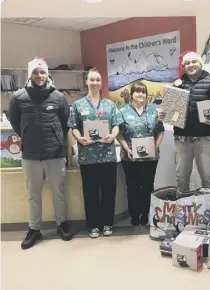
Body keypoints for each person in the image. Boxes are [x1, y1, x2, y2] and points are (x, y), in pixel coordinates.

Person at [8, 57, 72, 249]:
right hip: (31, 155)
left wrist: (56, 139)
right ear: (30, 75)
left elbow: (64, 123)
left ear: (47, 75)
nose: (39, 76)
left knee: (59, 193)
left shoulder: (59, 97)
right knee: (33, 195)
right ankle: (34, 229)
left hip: (55, 154)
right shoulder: (18, 98)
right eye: (35, 72)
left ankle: (62, 224)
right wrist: (27, 136)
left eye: (42, 72)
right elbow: (15, 123)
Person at [67, 68, 123, 238]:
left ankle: (107, 224)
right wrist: (80, 138)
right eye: (92, 80)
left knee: (108, 192)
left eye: (98, 80)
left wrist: (113, 135)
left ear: (101, 82)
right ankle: (93, 225)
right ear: (86, 81)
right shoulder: (78, 105)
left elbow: (116, 124)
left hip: (107, 155)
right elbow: (73, 127)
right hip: (88, 156)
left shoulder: (110, 104)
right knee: (90, 192)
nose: (95, 83)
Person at [172, 51, 210, 192]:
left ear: (200, 64)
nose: (191, 65)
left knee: (207, 179)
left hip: (205, 139)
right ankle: (183, 212)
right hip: (181, 139)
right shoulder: (177, 84)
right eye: (187, 63)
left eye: (194, 62)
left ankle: (207, 212)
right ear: (184, 66)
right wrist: (165, 115)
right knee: (181, 179)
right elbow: (172, 110)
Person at [117, 81, 165, 226]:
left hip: (150, 158)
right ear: (132, 95)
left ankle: (145, 214)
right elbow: (118, 133)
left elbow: (160, 131)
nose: (140, 94)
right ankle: (134, 215)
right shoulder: (123, 112)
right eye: (137, 91)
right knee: (132, 186)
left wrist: (154, 149)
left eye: (143, 92)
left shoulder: (153, 112)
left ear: (146, 95)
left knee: (148, 186)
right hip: (130, 157)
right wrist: (127, 149)